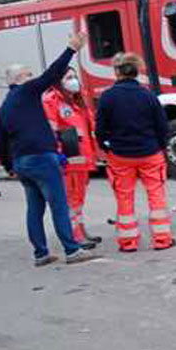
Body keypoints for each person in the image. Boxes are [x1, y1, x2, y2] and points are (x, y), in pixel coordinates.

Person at [0, 31, 97, 266]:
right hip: (41, 158)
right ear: (19, 78)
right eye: (29, 75)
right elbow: (52, 74)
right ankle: (72, 250)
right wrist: (71, 49)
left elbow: (1, 142)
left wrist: (10, 166)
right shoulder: (27, 91)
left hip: (22, 162)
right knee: (58, 204)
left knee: (34, 209)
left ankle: (41, 253)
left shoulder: (6, 106)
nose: (33, 78)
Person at [95, 52, 175, 252]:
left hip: (120, 155)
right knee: (156, 195)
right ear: (137, 72)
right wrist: (159, 146)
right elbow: (163, 127)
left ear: (117, 72)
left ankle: (128, 242)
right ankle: (162, 239)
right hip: (150, 153)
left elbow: (100, 129)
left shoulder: (107, 97)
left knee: (124, 197)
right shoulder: (148, 95)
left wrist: (107, 147)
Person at [43, 68, 101, 247]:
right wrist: (58, 154)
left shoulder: (78, 98)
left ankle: (80, 229)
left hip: (83, 156)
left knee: (79, 198)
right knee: (71, 198)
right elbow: (50, 131)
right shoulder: (51, 100)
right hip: (68, 158)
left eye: (75, 77)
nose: (74, 80)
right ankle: (75, 235)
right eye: (69, 77)